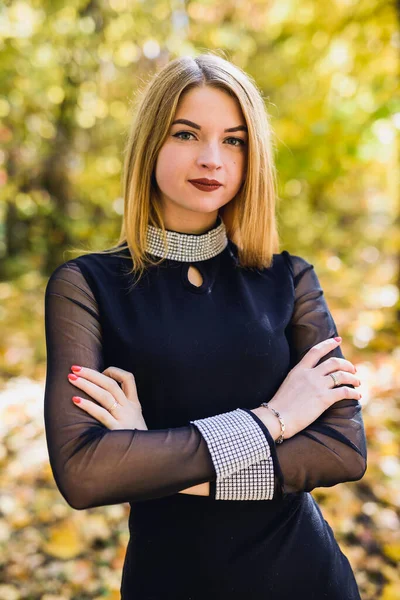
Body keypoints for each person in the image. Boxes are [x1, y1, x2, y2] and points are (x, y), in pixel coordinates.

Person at [43, 52, 367, 599]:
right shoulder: (85, 286)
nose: (212, 159)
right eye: (187, 134)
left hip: (307, 578)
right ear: (150, 144)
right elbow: (85, 474)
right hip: (169, 582)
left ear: (251, 156)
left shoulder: (290, 279)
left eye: (234, 140)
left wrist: (147, 454)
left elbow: (341, 451)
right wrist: (276, 418)